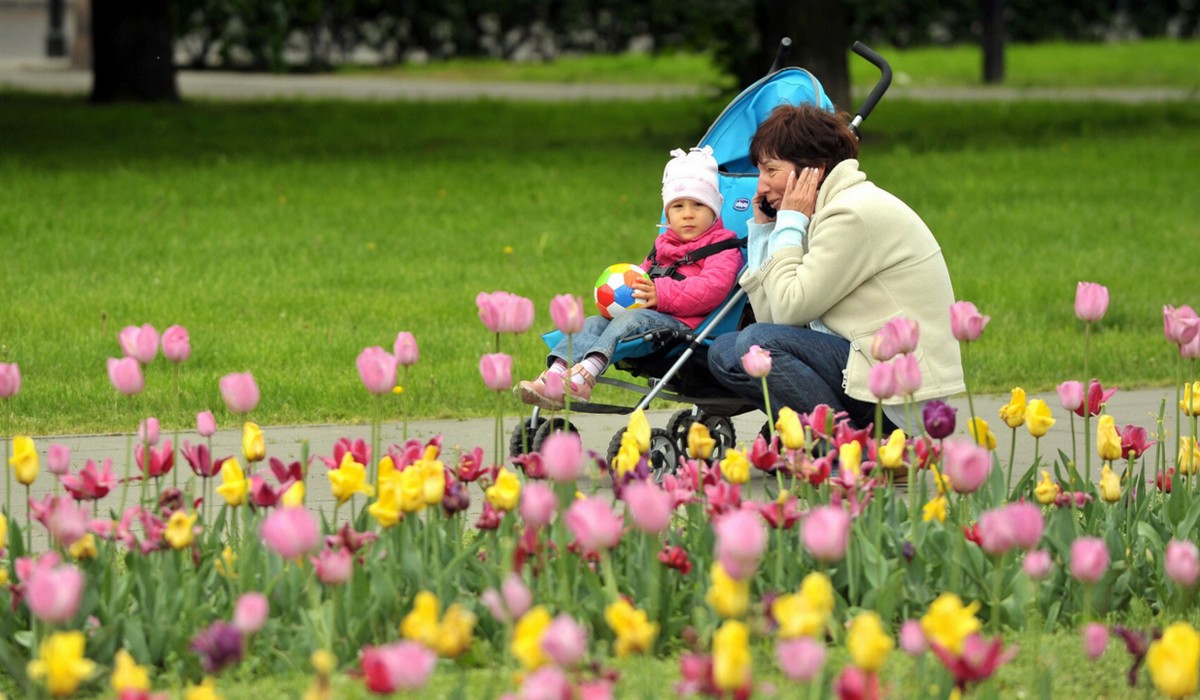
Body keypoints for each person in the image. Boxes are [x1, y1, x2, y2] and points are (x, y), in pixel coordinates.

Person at [706, 103, 965, 432]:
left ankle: (849, 445)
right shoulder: (825, 210)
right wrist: (764, 233)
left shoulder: (850, 213)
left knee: (757, 344)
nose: (760, 187)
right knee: (725, 351)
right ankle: (818, 435)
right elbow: (772, 318)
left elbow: (787, 312)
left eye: (771, 171)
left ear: (812, 170)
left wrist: (787, 224)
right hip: (864, 365)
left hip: (900, 396)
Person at [516, 145, 744, 411]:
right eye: (678, 206)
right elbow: (643, 274)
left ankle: (586, 374)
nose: (688, 214)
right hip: (651, 318)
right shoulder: (665, 244)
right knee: (593, 323)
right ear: (668, 214)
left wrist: (661, 293)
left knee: (631, 319)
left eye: (698, 205)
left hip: (685, 328)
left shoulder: (724, 249)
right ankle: (556, 374)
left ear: (715, 210)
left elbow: (712, 288)